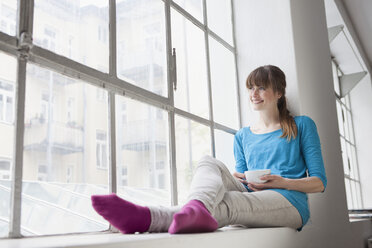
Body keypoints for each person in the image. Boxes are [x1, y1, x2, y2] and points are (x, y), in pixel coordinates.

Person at [91, 65, 327, 234]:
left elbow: (319, 182)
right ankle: (195, 208)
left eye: (262, 88)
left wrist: (281, 182)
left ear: (279, 93)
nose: (254, 94)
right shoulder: (243, 136)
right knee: (208, 162)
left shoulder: (302, 125)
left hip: (290, 202)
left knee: (231, 203)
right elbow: (243, 180)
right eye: (251, 88)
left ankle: (148, 218)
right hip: (254, 194)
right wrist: (240, 178)